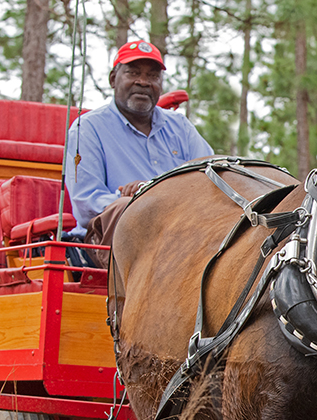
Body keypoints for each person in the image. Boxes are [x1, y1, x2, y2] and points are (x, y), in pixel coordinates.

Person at [63, 39, 212, 263]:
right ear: (114, 79)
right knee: (125, 208)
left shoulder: (180, 127)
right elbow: (86, 204)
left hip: (181, 235)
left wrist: (151, 192)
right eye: (133, 73)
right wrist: (141, 201)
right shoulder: (87, 129)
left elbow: (212, 176)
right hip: (107, 245)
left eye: (152, 76)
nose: (143, 82)